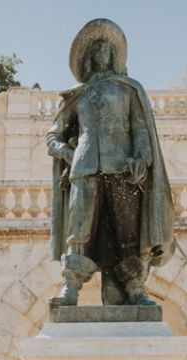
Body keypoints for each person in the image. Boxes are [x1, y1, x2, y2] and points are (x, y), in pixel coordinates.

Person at [47, 18, 175, 307]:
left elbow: (140, 131)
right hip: (84, 169)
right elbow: (53, 136)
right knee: (78, 231)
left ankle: (135, 287)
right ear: (88, 57)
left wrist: (142, 157)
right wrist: (68, 153)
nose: (102, 52)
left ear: (115, 55)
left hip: (122, 168)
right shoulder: (77, 95)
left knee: (127, 231)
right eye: (96, 48)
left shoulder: (128, 89)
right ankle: (71, 286)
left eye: (107, 48)